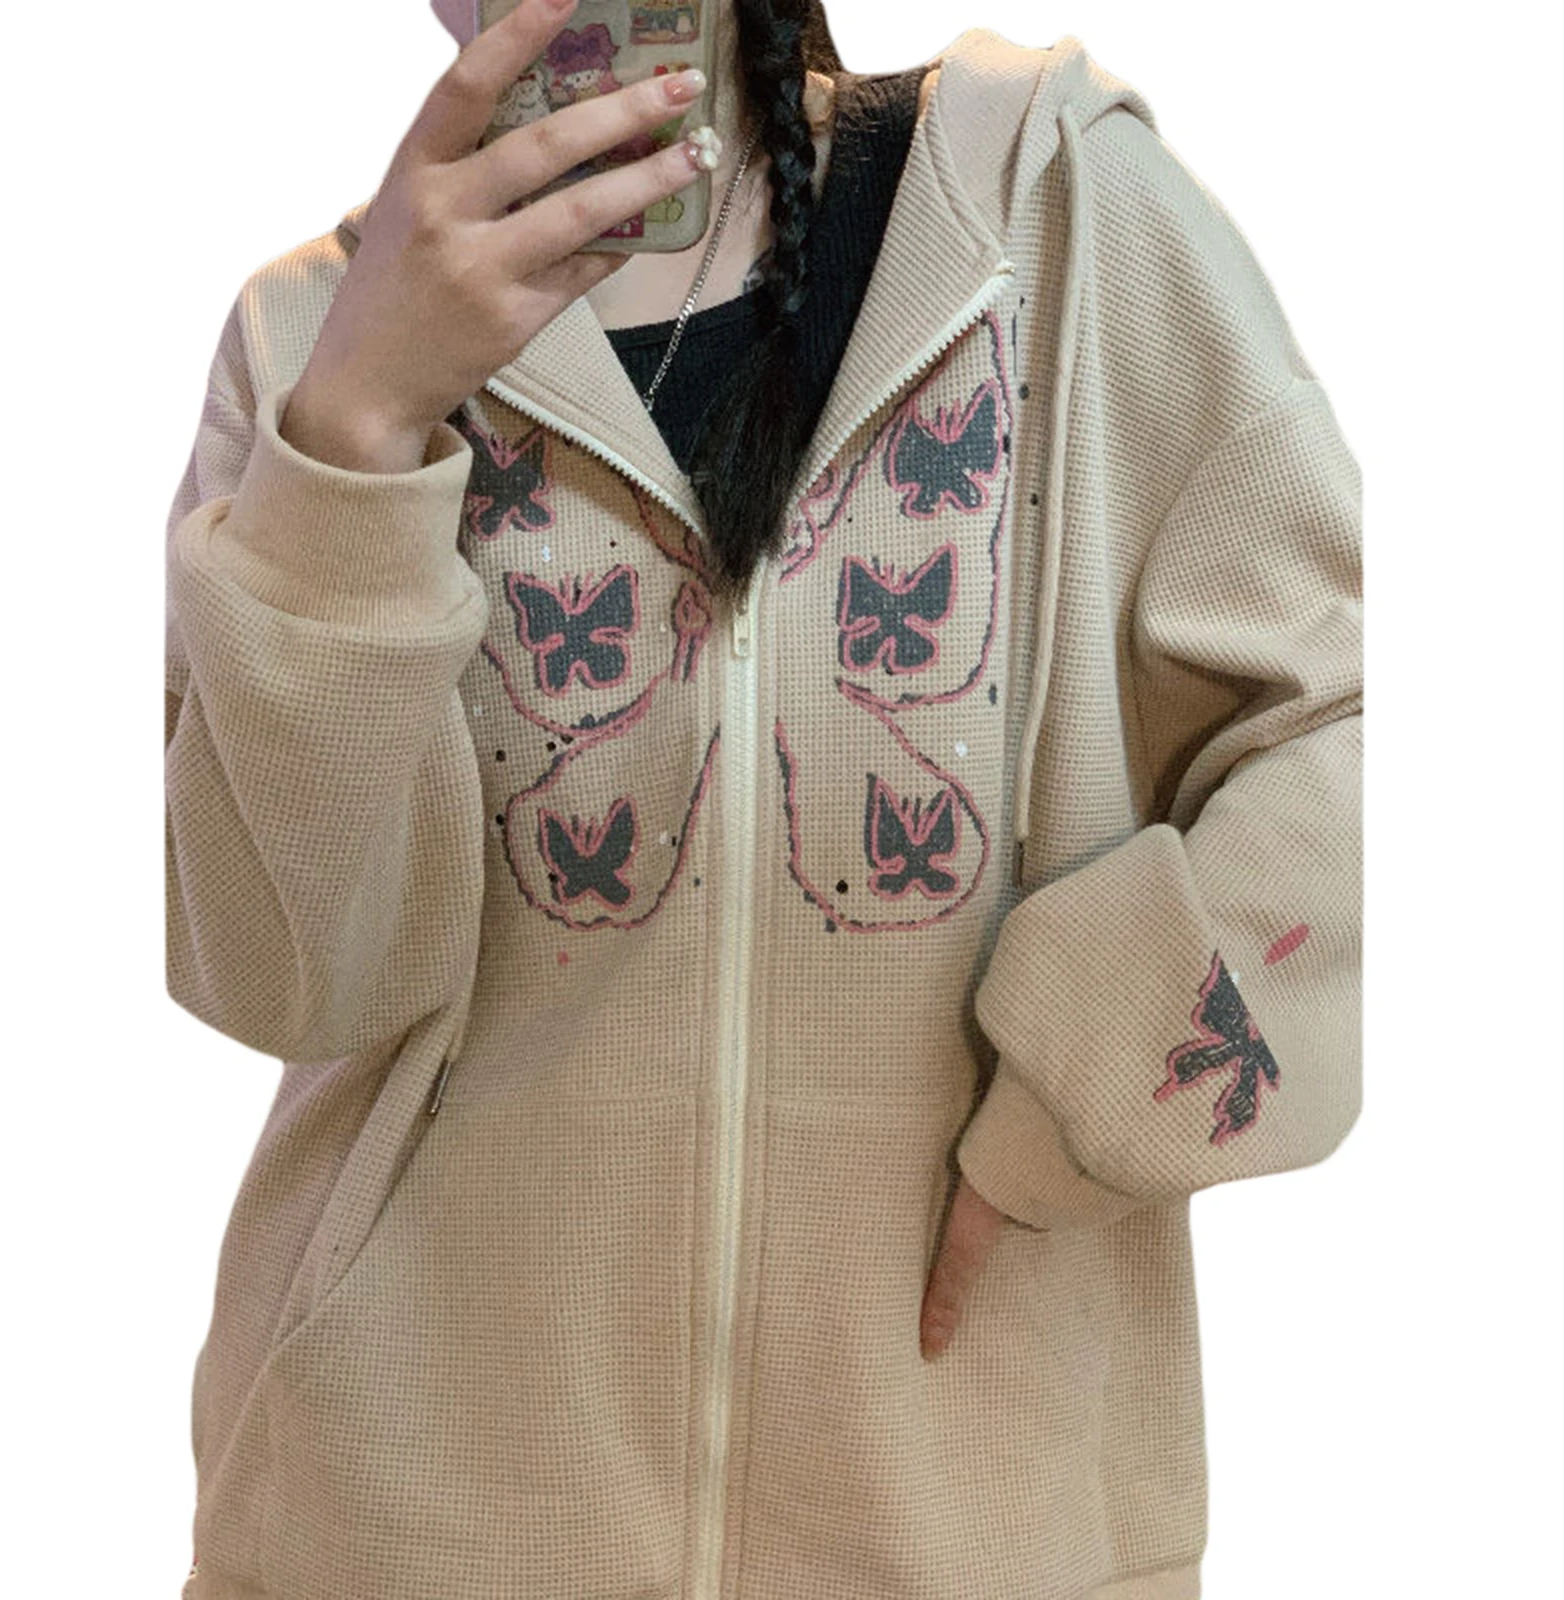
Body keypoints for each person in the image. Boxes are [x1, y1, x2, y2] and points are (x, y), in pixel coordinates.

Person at [165, 0, 1363, 1595]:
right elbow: (289, 978)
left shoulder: (1049, 212)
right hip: (400, 1527)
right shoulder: (311, 344)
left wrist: (1094, 1084)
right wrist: (359, 433)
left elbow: (1351, 727)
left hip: (965, 1525)